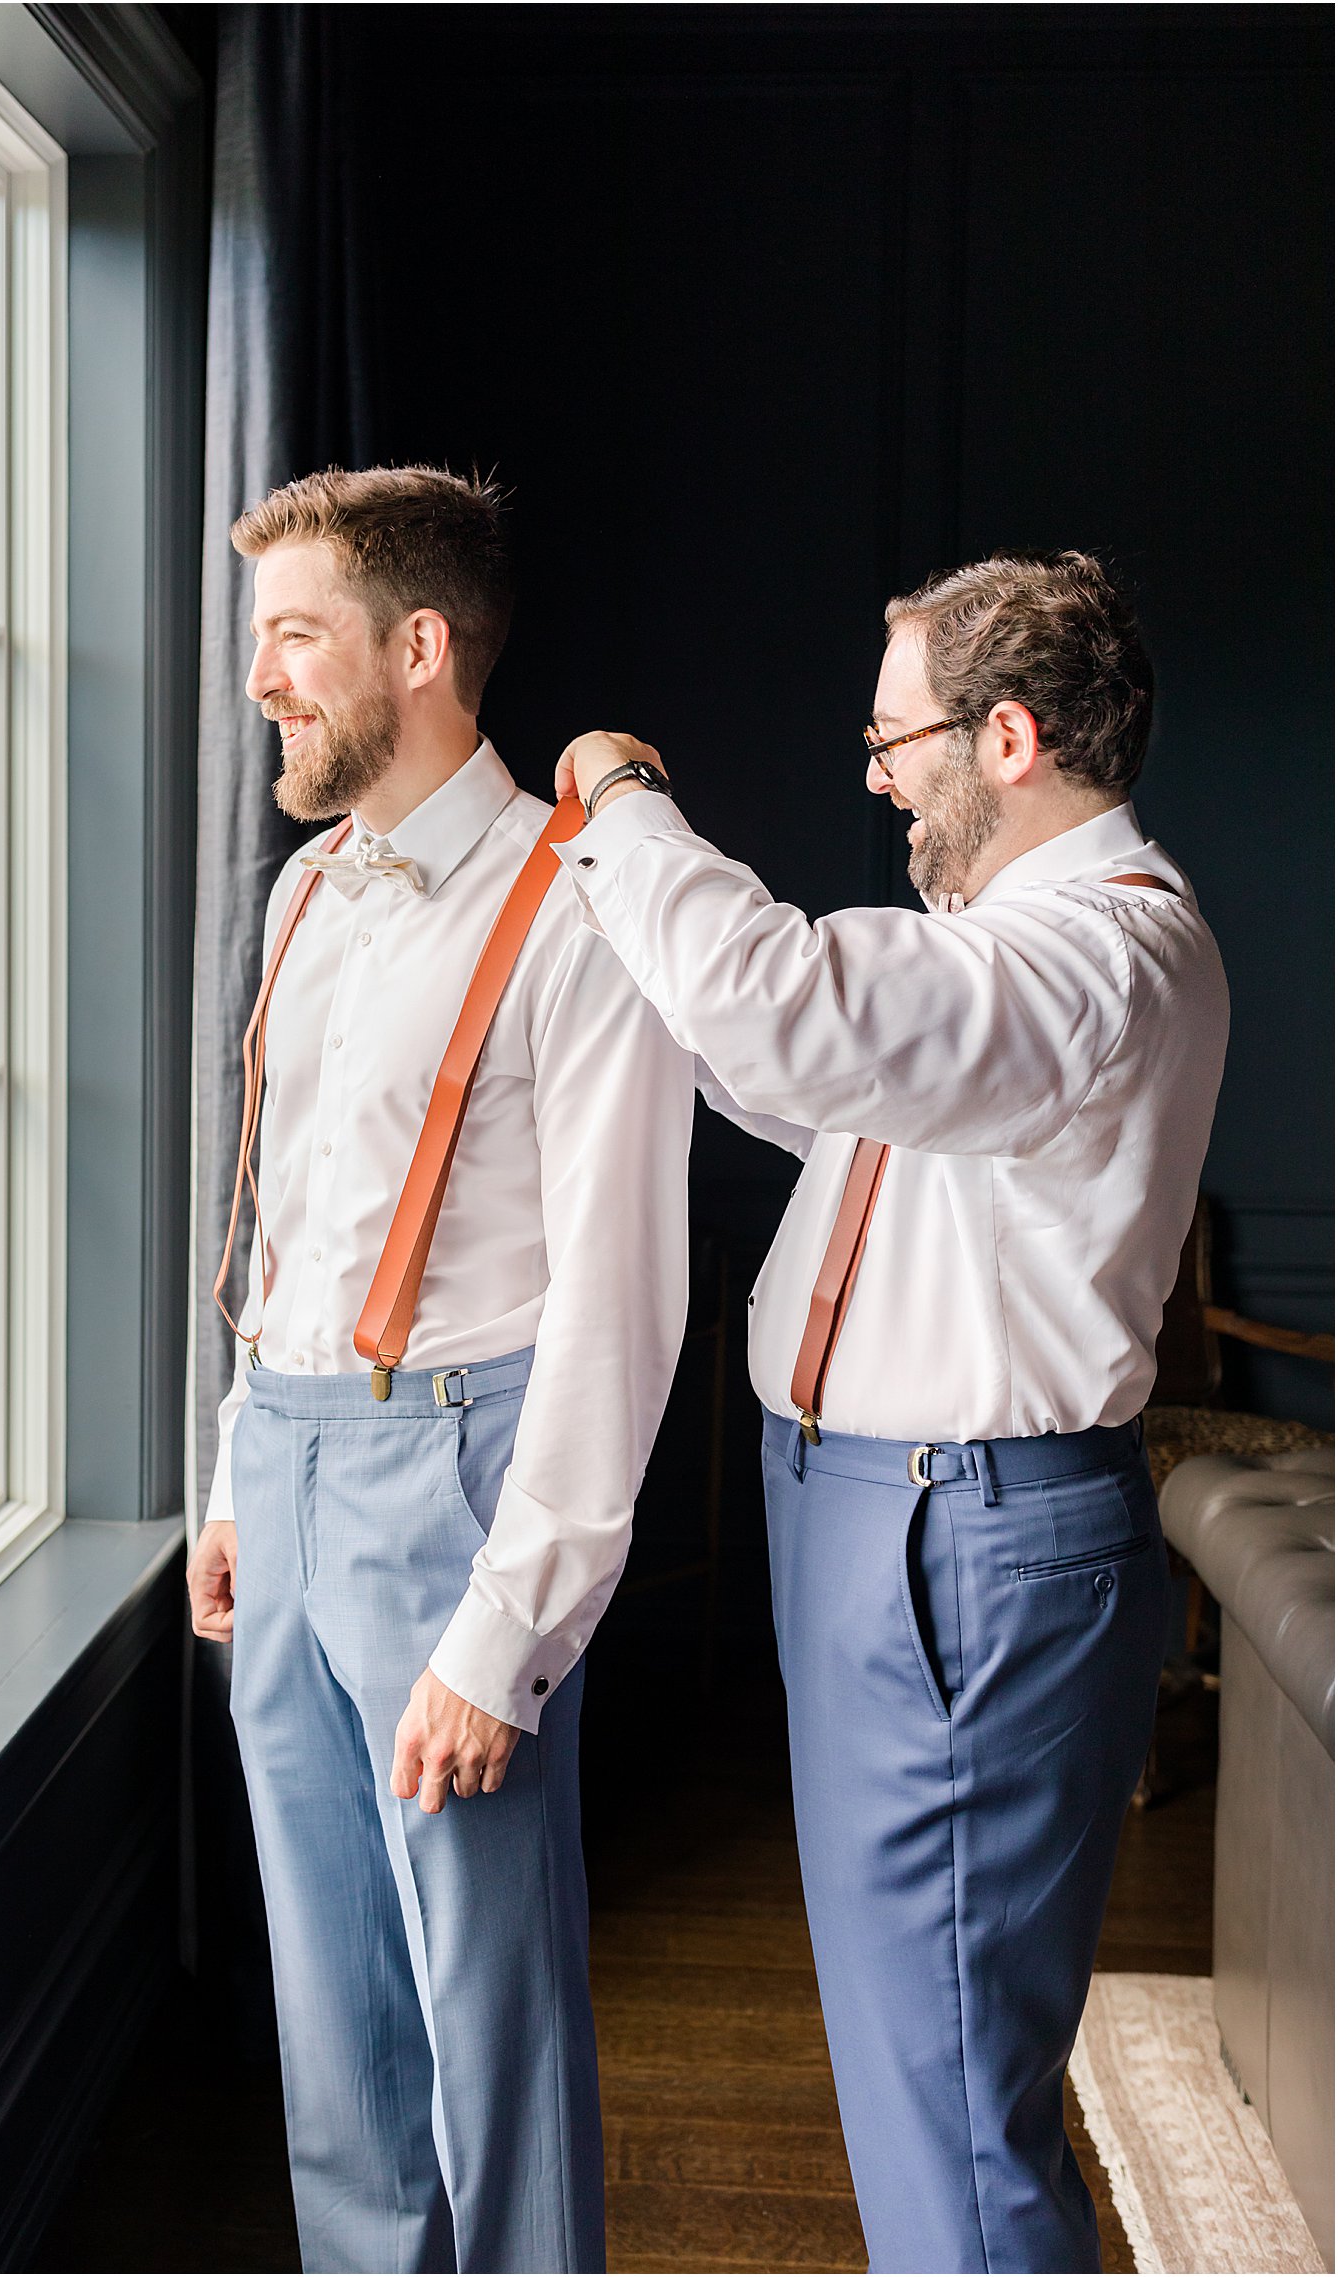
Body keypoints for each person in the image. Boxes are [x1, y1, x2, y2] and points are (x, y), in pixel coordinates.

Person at [551, 552, 1230, 2276]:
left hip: (961, 1542)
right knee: (914, 2065)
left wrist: (627, 805)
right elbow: (805, 1072)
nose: (874, 772)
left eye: (894, 735)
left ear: (1006, 737)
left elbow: (798, 1007)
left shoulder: (1099, 955)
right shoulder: (996, 965)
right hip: (889, 1525)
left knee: (947, 2112)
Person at [187, 465, 692, 2276]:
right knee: (332, 2015)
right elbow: (288, 1223)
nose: (264, 678)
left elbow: (621, 1305)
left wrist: (509, 1626)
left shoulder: (577, 908)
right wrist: (243, 1476)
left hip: (460, 1478)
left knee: (493, 2012)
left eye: (295, 636)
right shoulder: (306, 892)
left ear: (418, 646)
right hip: (299, 1468)